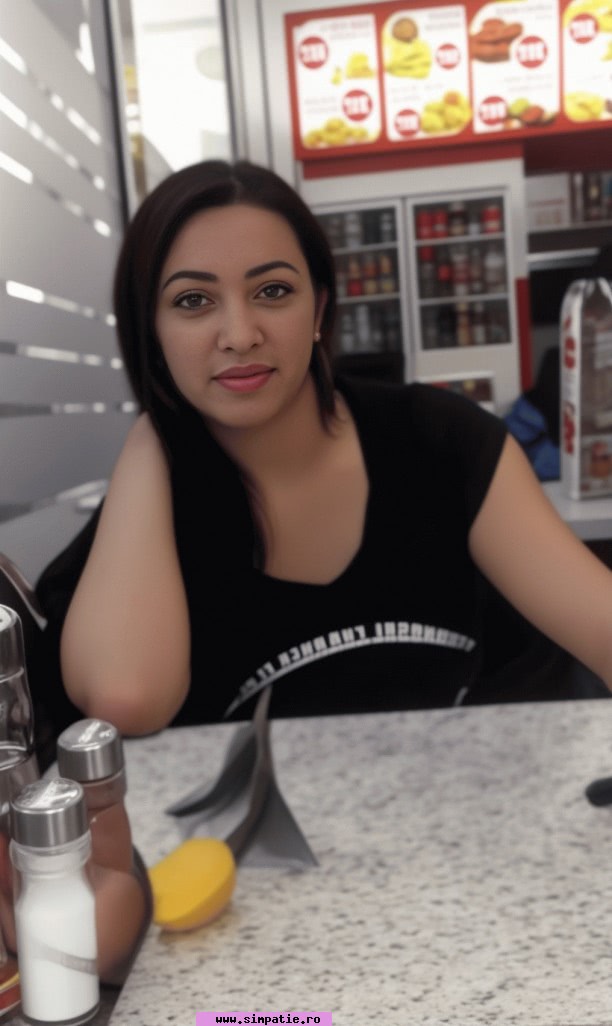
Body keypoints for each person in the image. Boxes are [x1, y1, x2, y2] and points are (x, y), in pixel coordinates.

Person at [40, 159, 612, 738]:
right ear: (151, 331)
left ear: (317, 308)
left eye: (272, 291)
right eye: (192, 301)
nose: (240, 335)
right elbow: (127, 700)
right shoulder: (145, 517)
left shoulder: (442, 441)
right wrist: (150, 436)